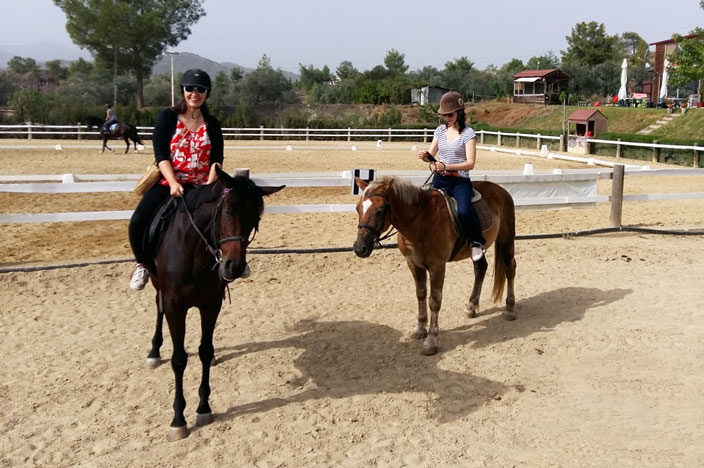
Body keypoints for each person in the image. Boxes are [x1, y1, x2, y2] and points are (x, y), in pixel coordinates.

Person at [127, 68, 245, 290]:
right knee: (138, 220)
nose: (194, 93)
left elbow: (216, 160)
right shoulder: (168, 117)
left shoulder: (212, 123)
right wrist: (172, 182)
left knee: (231, 216)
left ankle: (236, 259)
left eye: (200, 90)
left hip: (203, 185)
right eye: (190, 89)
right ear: (183, 90)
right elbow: (161, 154)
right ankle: (142, 263)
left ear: (207, 93)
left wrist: (210, 187)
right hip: (170, 183)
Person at [418, 90, 486, 262]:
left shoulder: (468, 133)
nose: (447, 118)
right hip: (440, 179)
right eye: (445, 115)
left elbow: (470, 163)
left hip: (459, 181)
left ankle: (477, 242)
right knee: (424, 208)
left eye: (450, 114)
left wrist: (446, 166)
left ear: (459, 113)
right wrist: (428, 158)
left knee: (463, 211)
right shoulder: (440, 131)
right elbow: (433, 153)